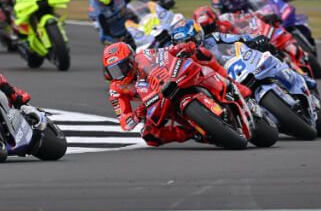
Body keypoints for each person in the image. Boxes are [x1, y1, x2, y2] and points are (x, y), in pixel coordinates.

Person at [102, 38, 246, 146]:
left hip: (173, 80)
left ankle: (232, 85)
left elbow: (166, 52)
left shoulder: (144, 56)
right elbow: (125, 123)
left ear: (131, 60)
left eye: (122, 67)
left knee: (199, 54)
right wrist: (138, 114)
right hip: (155, 102)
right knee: (150, 137)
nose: (120, 74)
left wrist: (183, 47)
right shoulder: (116, 90)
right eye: (114, 71)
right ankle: (192, 132)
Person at [85, 0, 175, 45]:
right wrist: (112, 41)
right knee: (117, 60)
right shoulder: (94, 10)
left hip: (137, 25)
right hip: (120, 38)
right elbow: (103, 35)